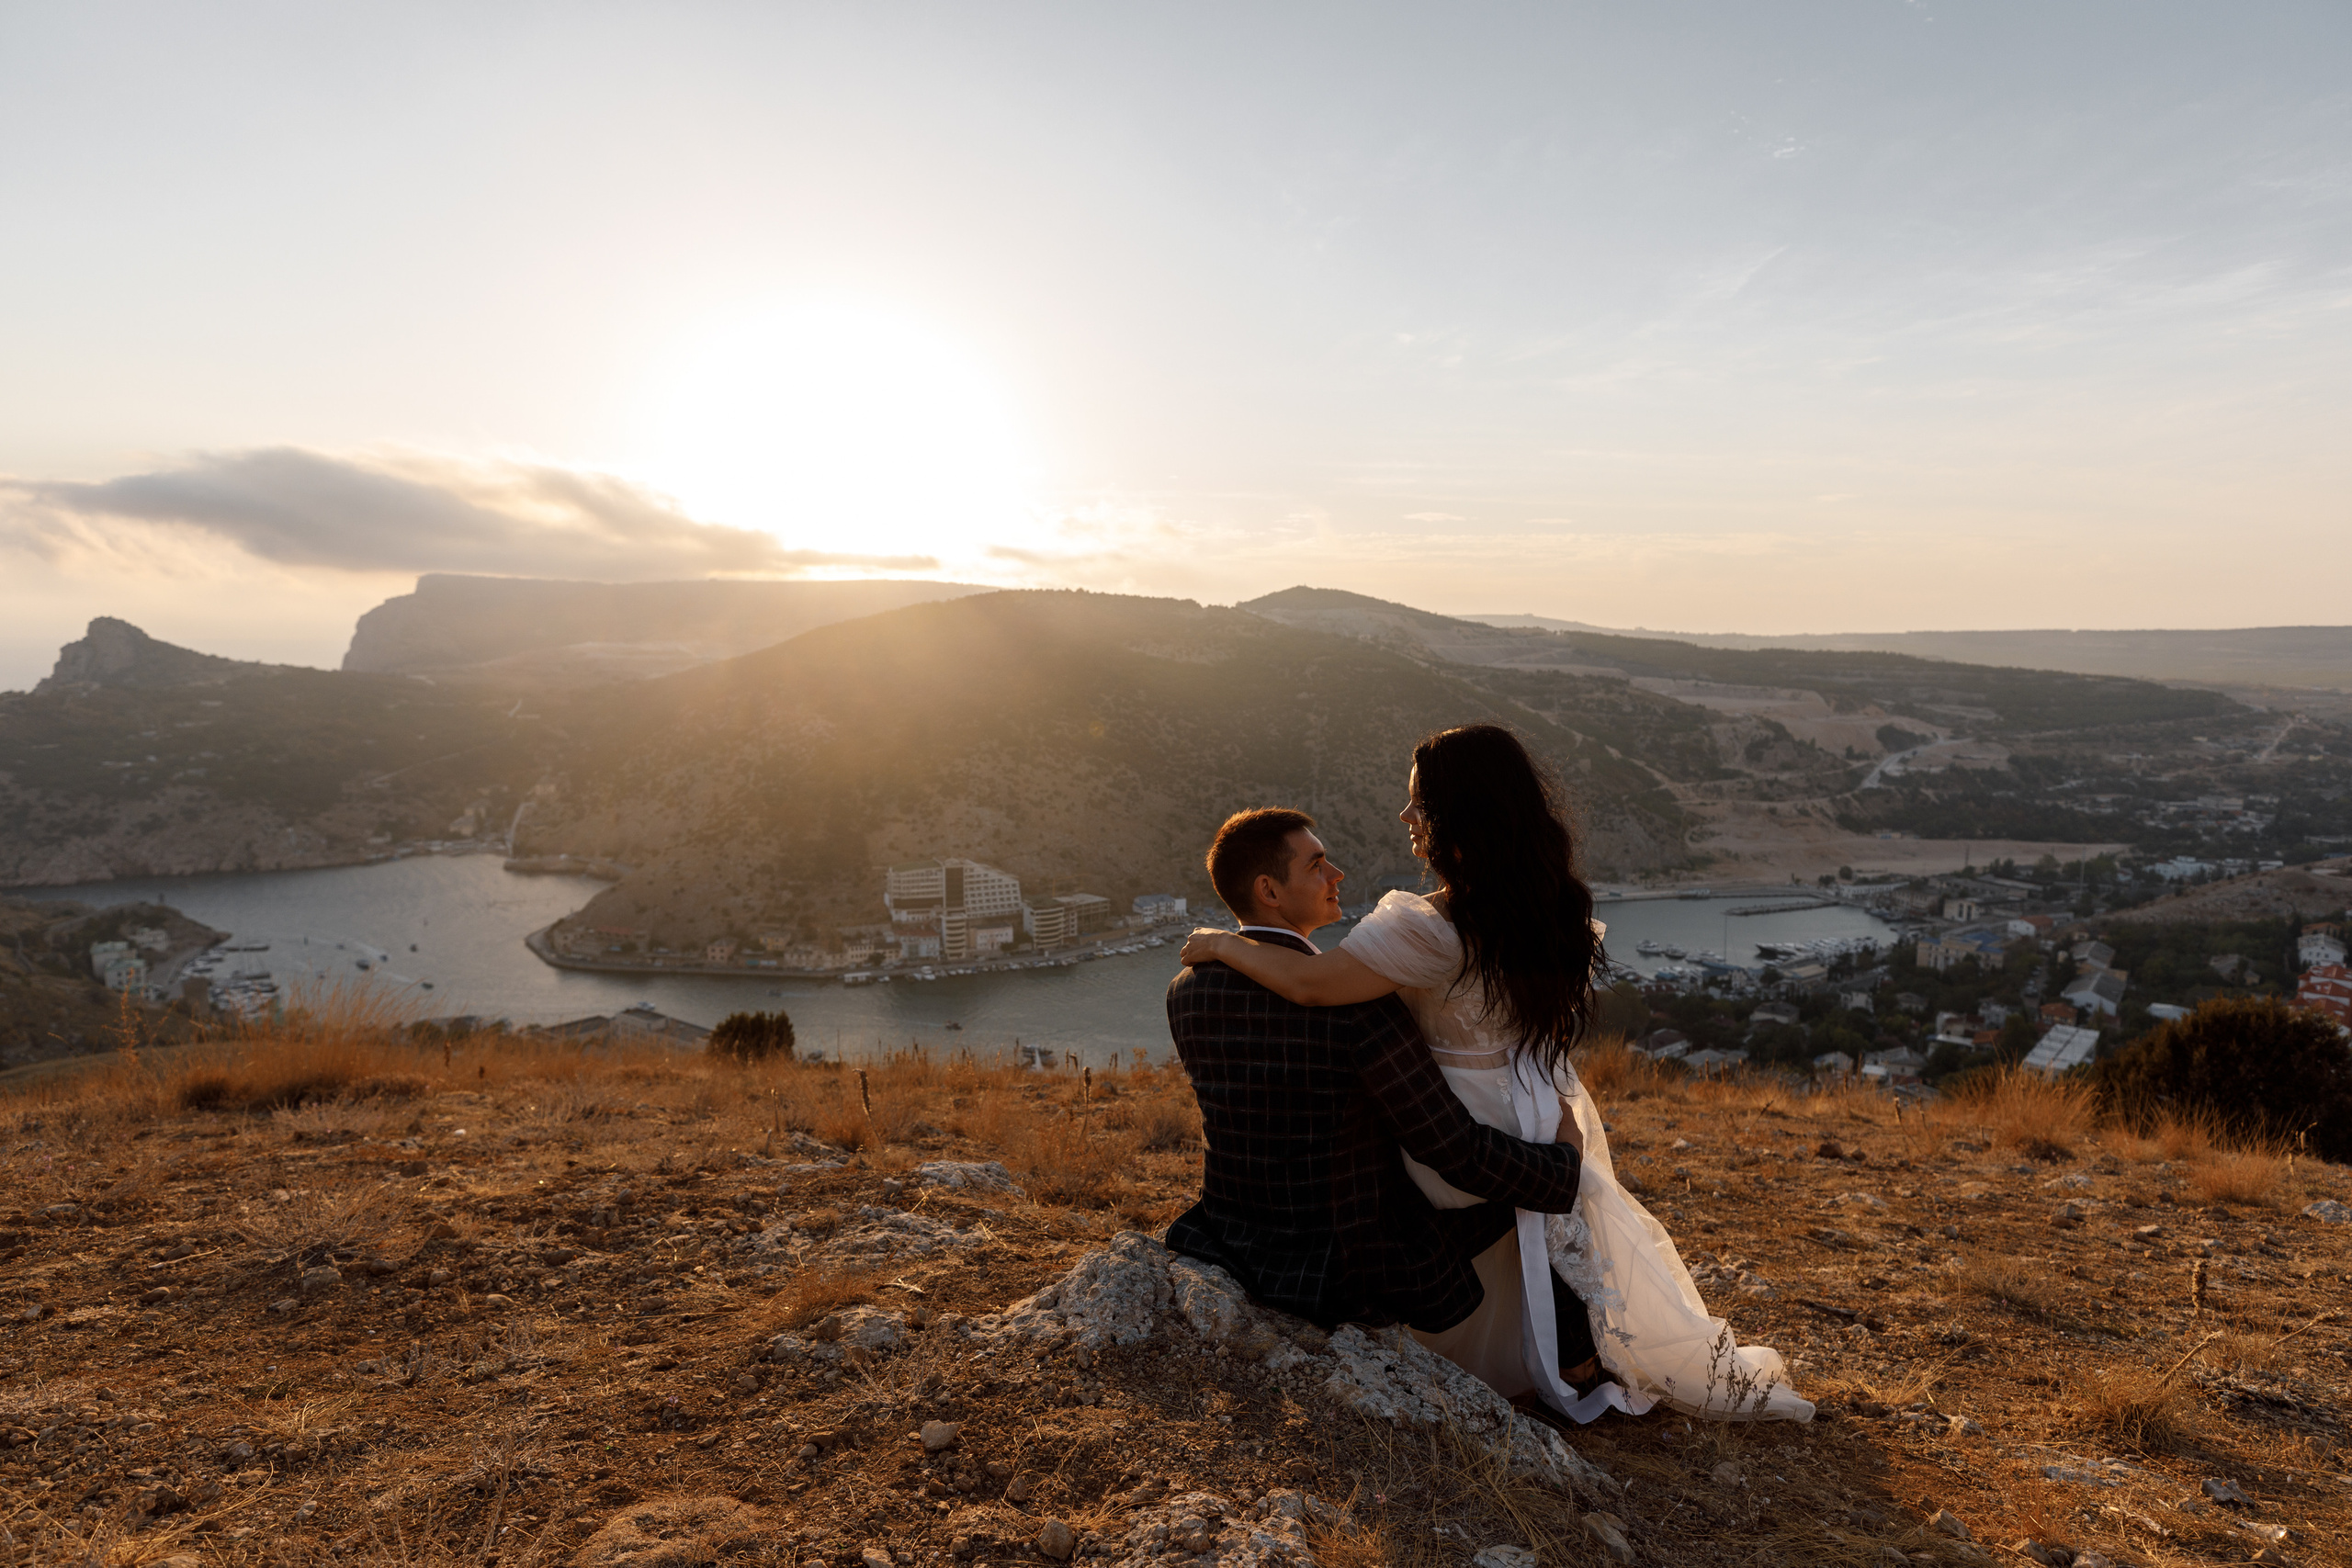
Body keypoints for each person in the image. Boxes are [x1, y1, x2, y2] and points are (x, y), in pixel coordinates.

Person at [1182, 725, 1813, 1424]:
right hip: (1533, 1098)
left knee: (1497, 1201)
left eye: (1417, 803)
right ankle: (1564, 1347)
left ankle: (1545, 1350)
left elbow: (1312, 984)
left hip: (1466, 1114)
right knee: (1546, 1219)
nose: (1404, 818)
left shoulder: (1419, 928)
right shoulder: (1529, 904)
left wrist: (1216, 942)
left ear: (1458, 815)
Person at [1164, 806, 1589, 1340]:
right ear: (1269, 892)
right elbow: (1450, 1148)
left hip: (1230, 1236)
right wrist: (1563, 1165)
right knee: (1530, 1192)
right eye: (1317, 864)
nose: (1336, 874)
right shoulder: (1359, 1008)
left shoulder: (1186, 991)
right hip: (1344, 1265)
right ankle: (1573, 1357)